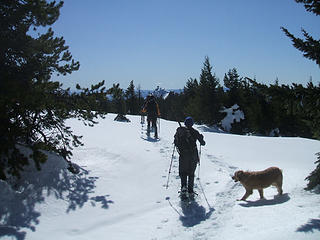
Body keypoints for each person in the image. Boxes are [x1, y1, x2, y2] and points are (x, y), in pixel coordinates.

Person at [174, 116, 205, 196]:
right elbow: (203, 143)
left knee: (183, 172)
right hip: (193, 154)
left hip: (183, 155)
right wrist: (201, 138)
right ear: (192, 123)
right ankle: (190, 190)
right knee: (191, 172)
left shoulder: (180, 131)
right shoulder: (195, 132)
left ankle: (183, 187)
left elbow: (175, 142)